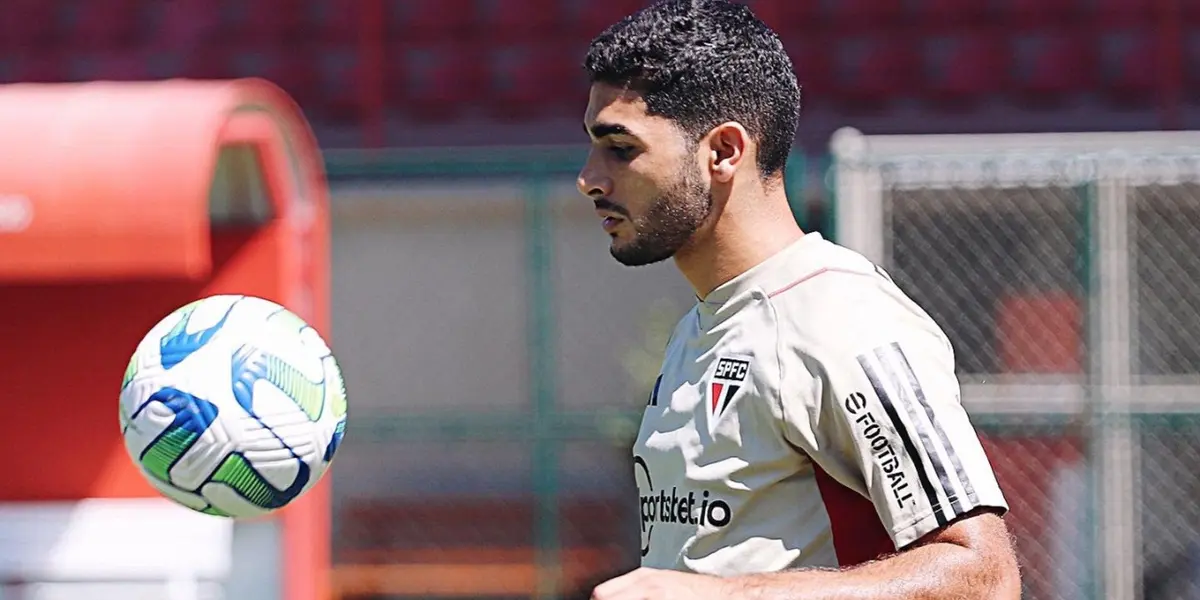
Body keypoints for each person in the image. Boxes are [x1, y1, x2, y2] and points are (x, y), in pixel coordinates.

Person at [575, 1, 1022, 598]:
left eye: (620, 148)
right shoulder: (706, 324)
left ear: (725, 152)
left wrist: (719, 596)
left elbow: (983, 575)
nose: (590, 178)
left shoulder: (839, 319)